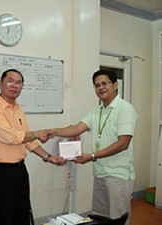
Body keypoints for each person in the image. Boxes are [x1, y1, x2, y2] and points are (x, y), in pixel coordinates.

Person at [47, 69, 138, 225]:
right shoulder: (97, 111)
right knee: (100, 218)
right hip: (100, 173)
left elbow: (123, 143)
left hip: (118, 175)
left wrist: (93, 156)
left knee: (118, 220)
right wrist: (51, 132)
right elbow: (76, 128)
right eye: (97, 85)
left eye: (105, 83)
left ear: (115, 85)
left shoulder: (125, 109)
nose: (101, 88)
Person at [0, 68, 65, 225]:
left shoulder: (18, 109)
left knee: (21, 217)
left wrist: (49, 157)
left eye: (19, 82)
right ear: (0, 84)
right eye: (10, 81)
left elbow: (28, 140)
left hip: (19, 172)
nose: (14, 85)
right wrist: (38, 133)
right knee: (1, 220)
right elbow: (11, 137)